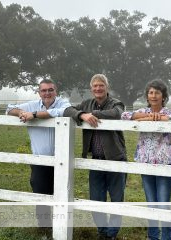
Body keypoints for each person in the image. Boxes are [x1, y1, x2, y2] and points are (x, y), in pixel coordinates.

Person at [63, 74, 127, 240]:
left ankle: (111, 234)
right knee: (96, 198)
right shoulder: (86, 103)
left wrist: (92, 114)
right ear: (91, 89)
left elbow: (116, 113)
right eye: (95, 86)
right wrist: (82, 115)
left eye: (101, 85)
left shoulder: (116, 102)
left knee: (116, 198)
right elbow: (67, 110)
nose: (98, 89)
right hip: (96, 160)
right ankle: (102, 232)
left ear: (107, 87)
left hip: (115, 158)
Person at [121, 79, 171, 240]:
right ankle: (153, 236)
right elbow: (125, 115)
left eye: (157, 92)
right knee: (151, 203)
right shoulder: (142, 110)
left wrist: (154, 118)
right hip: (145, 162)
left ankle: (167, 237)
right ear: (147, 96)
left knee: (163, 204)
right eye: (150, 92)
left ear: (163, 96)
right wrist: (149, 116)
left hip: (164, 162)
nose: (153, 96)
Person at [6, 79, 71, 228]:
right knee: (40, 191)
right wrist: (23, 113)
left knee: (61, 193)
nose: (47, 93)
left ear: (56, 91)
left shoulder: (63, 103)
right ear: (39, 92)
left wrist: (34, 115)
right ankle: (44, 226)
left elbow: (62, 112)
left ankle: (61, 225)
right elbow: (9, 108)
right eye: (44, 90)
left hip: (62, 160)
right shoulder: (32, 105)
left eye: (50, 90)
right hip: (39, 160)